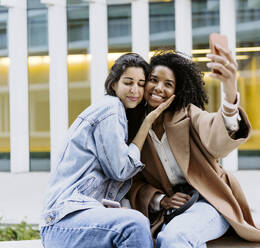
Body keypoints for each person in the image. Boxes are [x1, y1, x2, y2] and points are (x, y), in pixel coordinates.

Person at [129, 48, 260, 247]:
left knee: (174, 237)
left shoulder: (189, 115)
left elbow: (215, 136)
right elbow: (133, 181)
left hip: (209, 201)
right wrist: (161, 199)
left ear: (177, 91)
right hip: (168, 212)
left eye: (168, 84)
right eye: (153, 80)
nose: (159, 88)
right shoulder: (135, 129)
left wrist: (230, 96)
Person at [40, 53, 174, 248]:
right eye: (128, 82)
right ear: (114, 84)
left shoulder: (118, 114)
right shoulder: (111, 108)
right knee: (133, 225)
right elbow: (120, 169)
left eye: (140, 83)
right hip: (61, 221)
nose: (135, 90)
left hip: (73, 221)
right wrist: (147, 123)